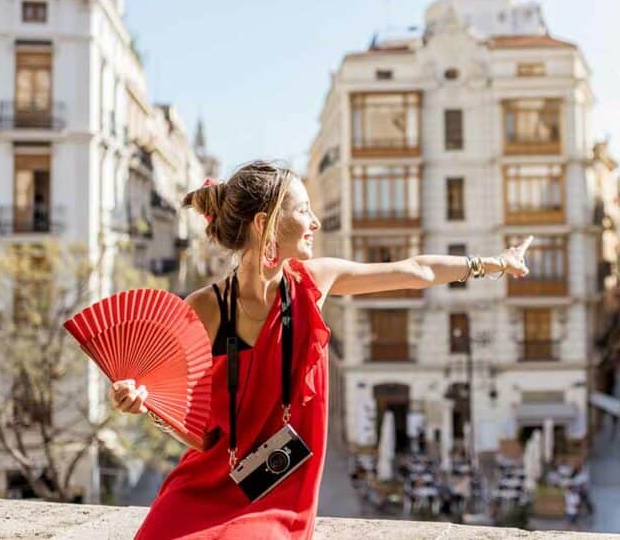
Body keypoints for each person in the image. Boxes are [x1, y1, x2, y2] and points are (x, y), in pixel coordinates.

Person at [109, 162, 533, 539]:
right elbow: (190, 424)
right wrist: (143, 403)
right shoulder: (204, 306)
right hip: (208, 480)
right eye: (303, 210)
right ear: (266, 223)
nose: (314, 222)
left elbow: (416, 270)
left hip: (278, 489)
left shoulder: (314, 281)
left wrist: (495, 263)